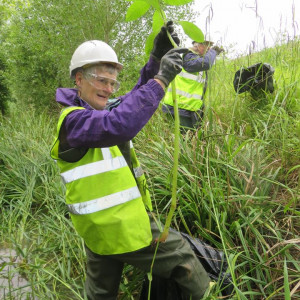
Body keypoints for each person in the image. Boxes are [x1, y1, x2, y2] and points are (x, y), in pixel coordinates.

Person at [50, 22, 210, 300]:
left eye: (112, 83)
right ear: (78, 79)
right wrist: (162, 79)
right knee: (183, 258)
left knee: (101, 293)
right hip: (123, 227)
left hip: (98, 232)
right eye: (101, 80)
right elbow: (120, 124)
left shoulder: (95, 111)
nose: (109, 89)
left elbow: (134, 100)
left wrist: (156, 59)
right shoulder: (74, 121)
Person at [162, 40, 224, 132]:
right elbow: (206, 63)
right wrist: (213, 52)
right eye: (207, 45)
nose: (209, 49)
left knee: (192, 139)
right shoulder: (188, 56)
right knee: (186, 141)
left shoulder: (196, 59)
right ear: (198, 46)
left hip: (188, 108)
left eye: (210, 47)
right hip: (180, 107)